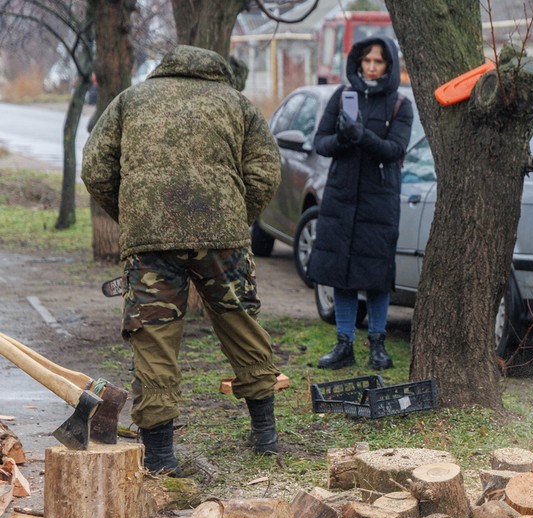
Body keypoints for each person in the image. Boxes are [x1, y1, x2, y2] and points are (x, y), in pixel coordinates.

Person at [82, 45, 283, 475]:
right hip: (223, 238)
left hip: (151, 240)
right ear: (218, 71)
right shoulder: (237, 103)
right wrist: (235, 214)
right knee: (239, 322)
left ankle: (160, 458)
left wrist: (134, 216)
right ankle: (265, 435)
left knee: (153, 339)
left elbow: (95, 169)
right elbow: (266, 170)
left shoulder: (130, 100)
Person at [310, 36, 413, 370]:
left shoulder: (400, 104)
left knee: (376, 275)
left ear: (389, 65)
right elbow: (321, 143)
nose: (370, 67)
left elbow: (395, 150)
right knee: (342, 274)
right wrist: (342, 137)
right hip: (341, 197)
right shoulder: (342, 97)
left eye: (378, 61)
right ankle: (344, 344)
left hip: (378, 201)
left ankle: (378, 346)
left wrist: (361, 136)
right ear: (357, 62)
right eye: (366, 60)